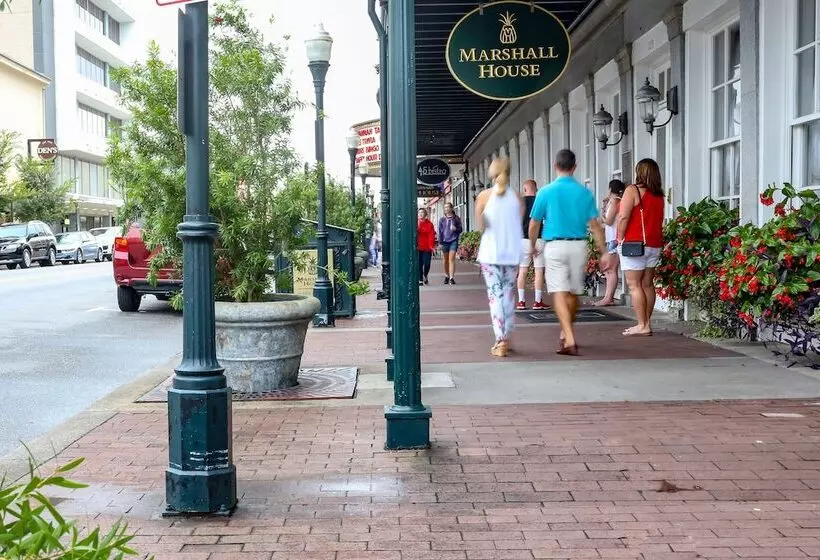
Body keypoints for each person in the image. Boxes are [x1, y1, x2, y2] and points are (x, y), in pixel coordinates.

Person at [529, 149, 612, 356]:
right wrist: (604, 252)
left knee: (558, 292)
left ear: (555, 166)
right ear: (575, 167)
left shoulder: (545, 192)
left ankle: (569, 337)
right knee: (573, 292)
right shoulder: (584, 193)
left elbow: (534, 222)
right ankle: (567, 333)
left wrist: (532, 244)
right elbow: (595, 225)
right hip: (578, 245)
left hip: (555, 246)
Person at [475, 157, 524, 358]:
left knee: (495, 296)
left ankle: (500, 339)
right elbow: (517, 223)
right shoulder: (518, 197)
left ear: (492, 174)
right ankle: (507, 336)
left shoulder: (484, 196)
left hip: (490, 252)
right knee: (508, 294)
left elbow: (481, 227)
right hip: (512, 252)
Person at [617, 159, 665, 337]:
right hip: (654, 244)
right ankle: (646, 322)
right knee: (647, 284)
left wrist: (619, 238)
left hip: (634, 244)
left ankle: (642, 324)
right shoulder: (659, 195)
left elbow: (623, 217)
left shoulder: (633, 190)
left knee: (634, 285)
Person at [595, 179, 626, 307]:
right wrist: (603, 208)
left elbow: (608, 221)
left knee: (611, 269)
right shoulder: (611, 202)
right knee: (608, 270)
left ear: (610, 189)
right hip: (610, 238)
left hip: (614, 238)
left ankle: (609, 298)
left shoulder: (615, 201)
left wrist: (602, 215)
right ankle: (607, 297)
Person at [517, 179, 547, 310]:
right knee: (539, 270)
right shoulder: (540, 201)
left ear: (524, 190)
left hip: (522, 240)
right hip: (539, 238)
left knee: (522, 271)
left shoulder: (519, 203)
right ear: (536, 189)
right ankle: (537, 301)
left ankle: (521, 301)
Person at [438, 202, 463, 285]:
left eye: (448, 207)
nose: (446, 209)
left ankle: (452, 277)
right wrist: (440, 243)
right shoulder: (442, 219)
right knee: (445, 260)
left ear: (451, 208)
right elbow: (440, 232)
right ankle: (446, 275)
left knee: (451, 259)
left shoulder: (456, 219)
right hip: (444, 241)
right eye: (445, 208)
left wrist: (455, 229)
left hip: (453, 240)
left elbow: (460, 229)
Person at [417, 208, 436, 285]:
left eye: (422, 212)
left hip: (427, 247)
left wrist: (431, 246)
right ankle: (420, 279)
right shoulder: (416, 223)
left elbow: (431, 235)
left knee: (427, 263)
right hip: (418, 247)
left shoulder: (429, 224)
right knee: (419, 264)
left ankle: (425, 275)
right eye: (419, 213)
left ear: (425, 214)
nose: (421, 214)